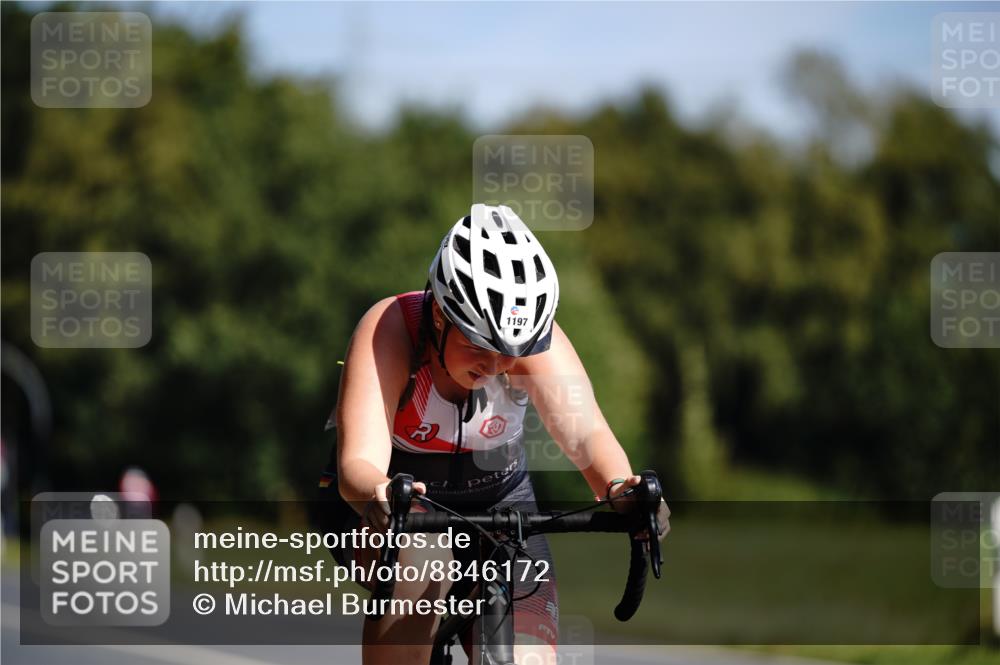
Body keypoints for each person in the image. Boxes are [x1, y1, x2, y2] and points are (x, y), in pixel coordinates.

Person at [314, 204, 670, 665]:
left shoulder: (534, 341)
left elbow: (586, 434)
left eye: (512, 351)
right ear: (439, 314)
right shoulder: (391, 329)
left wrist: (624, 492)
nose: (496, 364)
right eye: (478, 345)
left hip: (501, 505)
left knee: (528, 658)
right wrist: (380, 495)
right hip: (394, 506)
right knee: (422, 560)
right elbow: (358, 465)